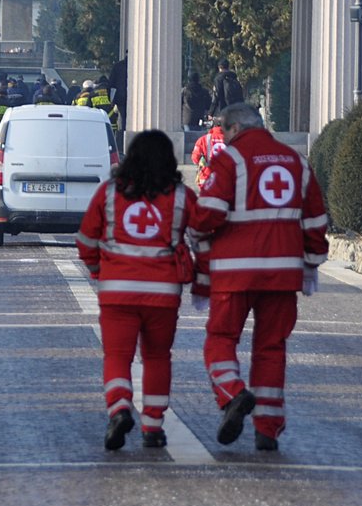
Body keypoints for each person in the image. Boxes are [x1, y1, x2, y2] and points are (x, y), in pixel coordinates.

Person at [187, 102, 328, 451]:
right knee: (271, 348)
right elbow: (315, 220)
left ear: (234, 129)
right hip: (283, 273)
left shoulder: (230, 160)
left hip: (233, 274)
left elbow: (210, 214)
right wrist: (312, 262)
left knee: (220, 339)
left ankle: (233, 393)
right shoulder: (297, 162)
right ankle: (268, 428)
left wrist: (195, 233)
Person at [75, 130, 196, 451]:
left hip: (117, 292)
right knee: (157, 357)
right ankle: (153, 426)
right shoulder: (181, 196)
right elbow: (203, 231)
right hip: (163, 293)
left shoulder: (109, 193)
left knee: (118, 356)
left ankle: (118, 407)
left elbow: (86, 239)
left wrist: (98, 269)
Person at [190, 122, 226, 190]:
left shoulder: (203, 139)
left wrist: (201, 162)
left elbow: (195, 158)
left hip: (207, 176)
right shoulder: (232, 140)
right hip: (226, 177)